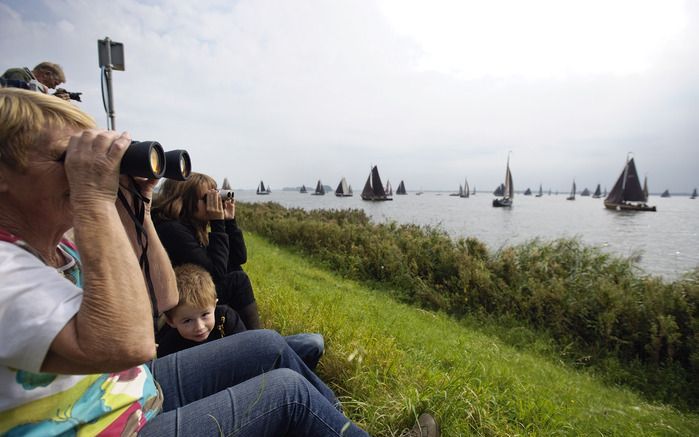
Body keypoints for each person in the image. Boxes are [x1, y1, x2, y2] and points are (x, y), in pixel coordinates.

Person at [0, 88, 385, 436]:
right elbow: (134, 343)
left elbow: (166, 298)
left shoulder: (61, 250)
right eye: (63, 157)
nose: (77, 171)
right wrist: (95, 200)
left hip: (133, 390)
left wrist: (141, 209)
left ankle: (337, 426)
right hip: (105, 428)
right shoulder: (6, 267)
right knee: (289, 394)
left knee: (269, 345)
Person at [158, 263, 325, 370]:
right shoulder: (169, 347)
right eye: (187, 321)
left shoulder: (225, 317)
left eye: (205, 315)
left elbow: (249, 351)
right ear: (171, 321)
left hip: (245, 362)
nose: (199, 326)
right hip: (225, 380)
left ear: (214, 304)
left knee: (313, 342)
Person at [153, 174, 262, 329]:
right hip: (182, 299)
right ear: (185, 200)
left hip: (193, 289)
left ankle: (250, 335)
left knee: (235, 270)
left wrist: (229, 221)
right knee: (239, 281)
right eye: (207, 198)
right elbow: (215, 273)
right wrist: (217, 222)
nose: (214, 203)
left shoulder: (189, 224)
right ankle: (257, 339)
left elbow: (238, 258)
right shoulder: (171, 229)